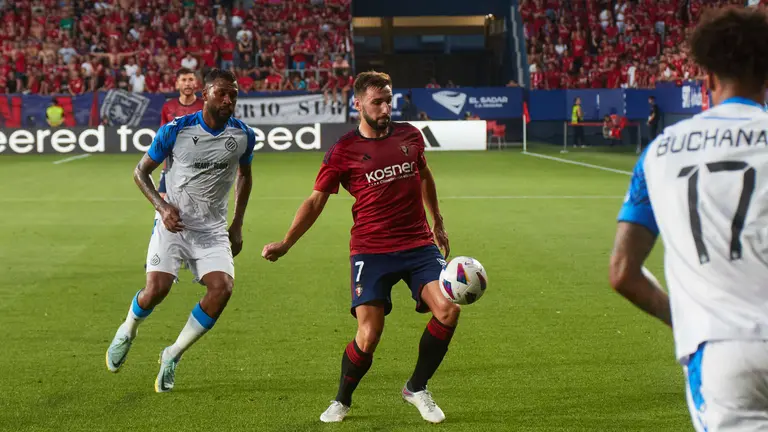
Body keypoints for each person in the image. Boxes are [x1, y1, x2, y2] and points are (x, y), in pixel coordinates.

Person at [261, 71, 457, 424]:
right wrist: (286, 242)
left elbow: (424, 175)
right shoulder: (343, 151)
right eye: (377, 102)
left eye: (388, 100)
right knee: (369, 335)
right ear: (358, 104)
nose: (385, 108)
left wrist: (438, 222)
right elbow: (316, 201)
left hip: (418, 244)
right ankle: (342, 399)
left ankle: (417, 387)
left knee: (448, 310)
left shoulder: (410, 135)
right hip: (371, 250)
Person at [609, 8, 768, 432]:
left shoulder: (661, 152)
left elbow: (623, 273)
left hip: (722, 352)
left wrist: (683, 319)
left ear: (709, 79)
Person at [105, 69, 255, 393]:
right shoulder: (175, 130)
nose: (228, 100)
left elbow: (245, 175)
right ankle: (128, 329)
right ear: (205, 95)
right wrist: (162, 207)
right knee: (156, 290)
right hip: (172, 224)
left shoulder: (244, 136)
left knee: (223, 289)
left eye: (233, 95)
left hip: (212, 229)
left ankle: (172, 354)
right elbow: (140, 172)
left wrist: (238, 223)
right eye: (222, 94)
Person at [158, 68, 205, 199]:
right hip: (172, 167)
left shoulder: (205, 107)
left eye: (191, 79)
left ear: (196, 83)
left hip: (199, 169)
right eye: (183, 80)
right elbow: (163, 138)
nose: (187, 83)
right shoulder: (168, 107)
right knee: (162, 205)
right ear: (177, 83)